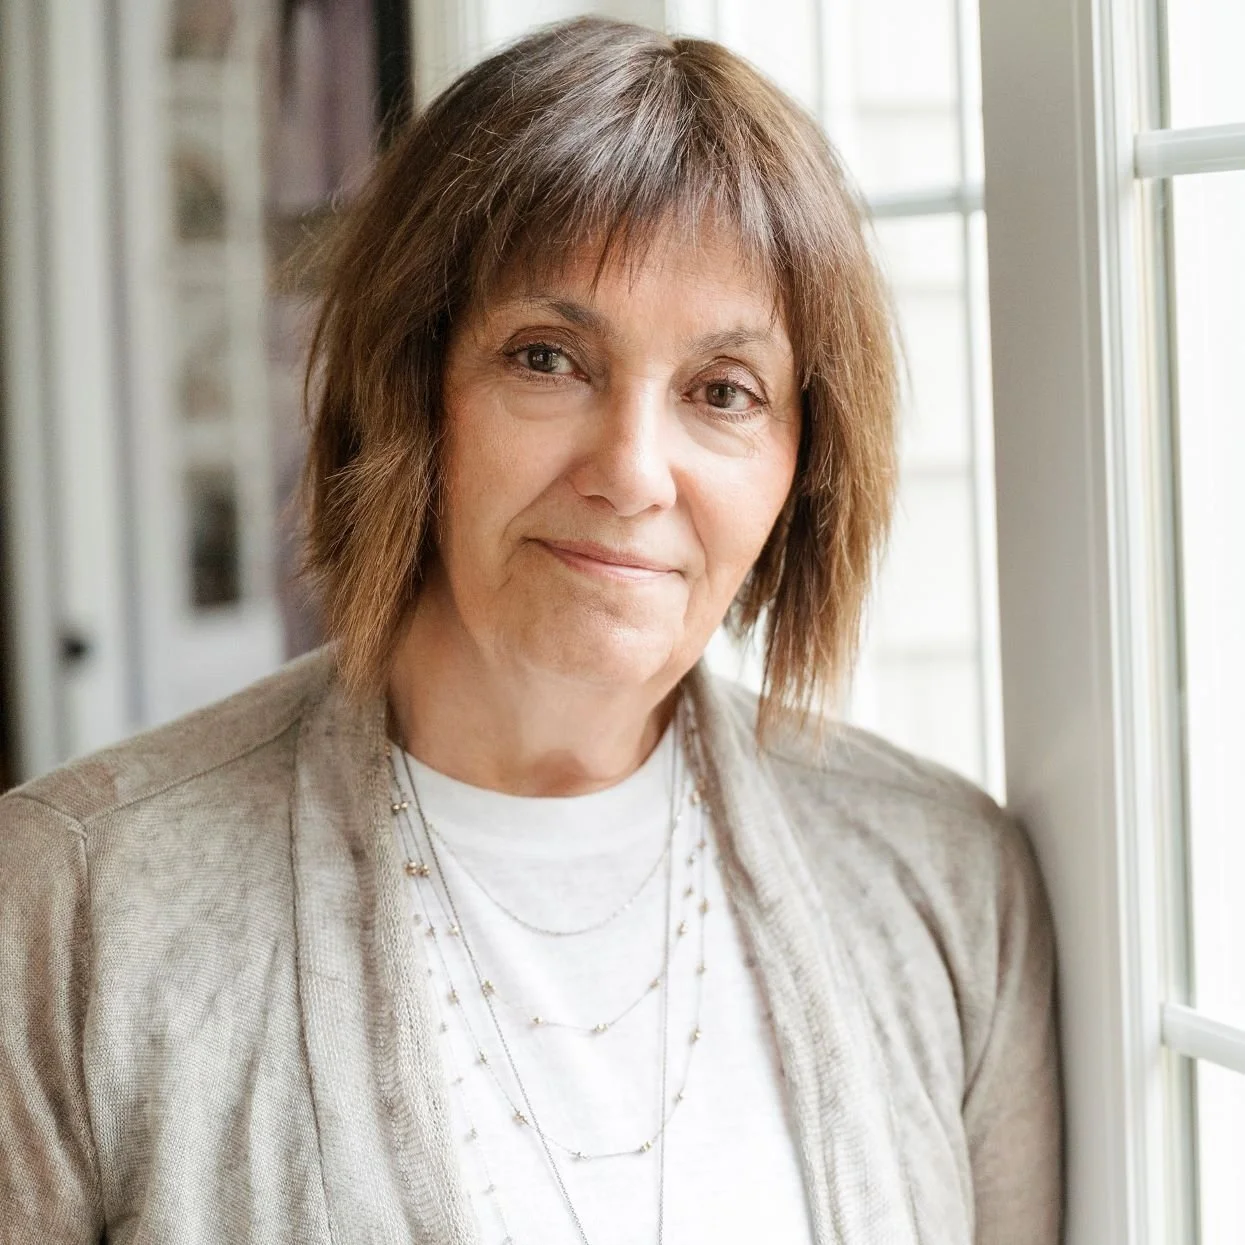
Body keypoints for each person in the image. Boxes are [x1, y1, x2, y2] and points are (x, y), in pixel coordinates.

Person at [0, 17, 1060, 1245]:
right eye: (548, 358)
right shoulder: (74, 900)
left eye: (724, 392)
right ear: (411, 392)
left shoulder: (946, 884)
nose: (631, 472)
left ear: (800, 468)